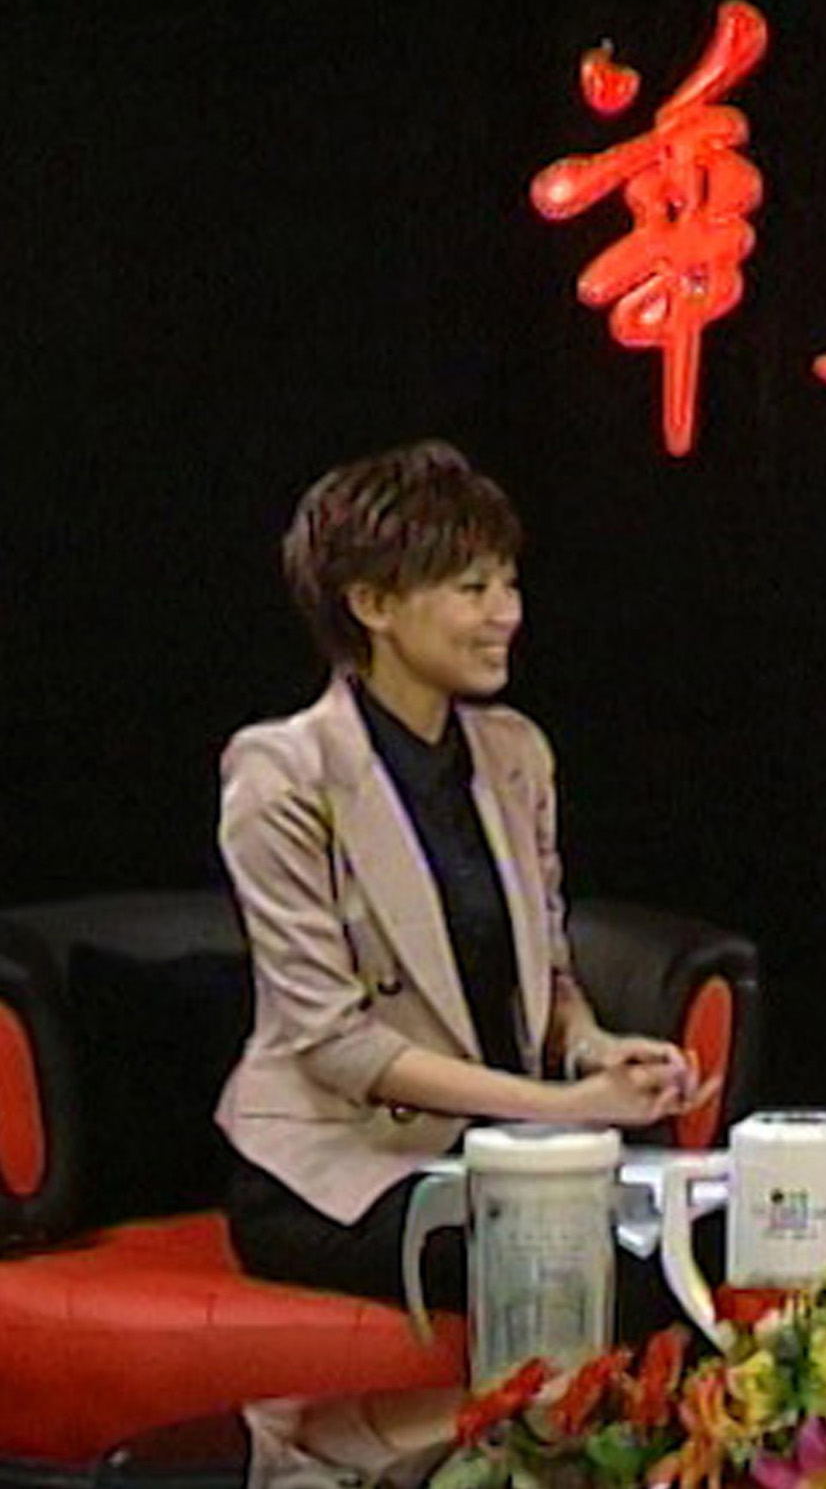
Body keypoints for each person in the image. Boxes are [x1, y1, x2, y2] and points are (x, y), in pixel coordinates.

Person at [217, 439, 712, 1315]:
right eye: (472, 589)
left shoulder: (515, 753)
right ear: (372, 603)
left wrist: (594, 1047)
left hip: (499, 1145)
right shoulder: (281, 773)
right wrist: (564, 1106)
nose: (505, 615)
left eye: (509, 585)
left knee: (712, 1239)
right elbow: (336, 1044)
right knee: (586, 1265)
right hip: (341, 1171)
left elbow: (547, 977)